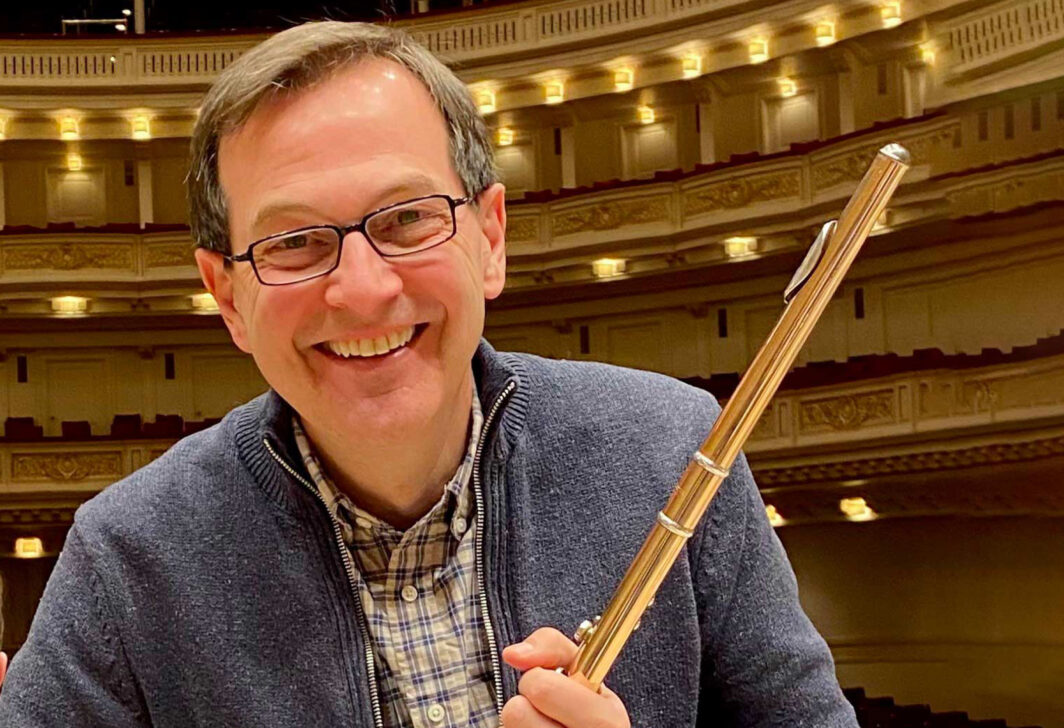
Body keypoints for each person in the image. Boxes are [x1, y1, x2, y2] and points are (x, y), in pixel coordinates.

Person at [0, 22, 857, 727]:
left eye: (408, 219)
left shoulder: (673, 448)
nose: (364, 289)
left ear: (489, 237)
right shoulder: (125, 558)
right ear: (228, 294)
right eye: (294, 242)